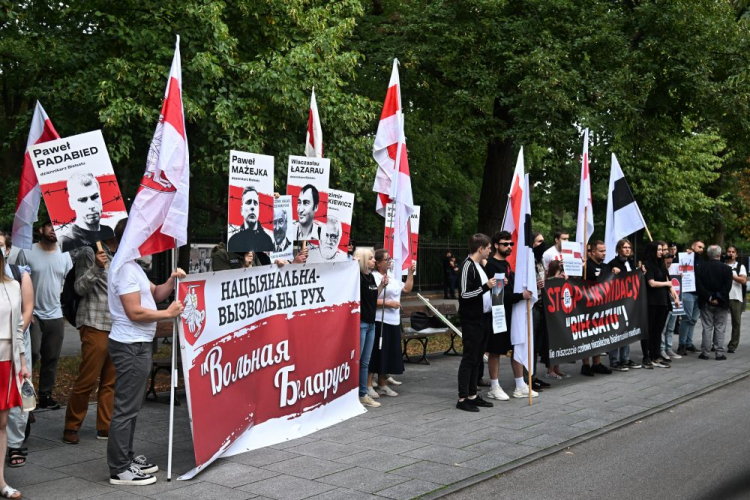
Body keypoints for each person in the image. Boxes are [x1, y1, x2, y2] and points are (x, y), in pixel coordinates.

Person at [107, 219, 185, 485]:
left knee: (131, 405)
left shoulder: (132, 267)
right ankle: (119, 468)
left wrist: (171, 281)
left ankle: (126, 458)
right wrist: (167, 314)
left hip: (137, 343)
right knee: (126, 408)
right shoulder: (124, 269)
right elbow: (135, 311)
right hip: (130, 345)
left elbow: (155, 292)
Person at [62, 231, 119, 446]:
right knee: (88, 378)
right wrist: (96, 266)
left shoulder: (123, 253)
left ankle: (105, 427)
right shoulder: (89, 251)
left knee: (110, 381)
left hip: (117, 325)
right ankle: (71, 425)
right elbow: (79, 287)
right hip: (95, 322)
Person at [15, 219, 73, 409]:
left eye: (57, 228)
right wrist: (24, 309)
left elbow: (67, 283)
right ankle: (24, 395)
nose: (53, 231)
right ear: (41, 229)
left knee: (52, 357)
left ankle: (45, 396)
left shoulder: (64, 254)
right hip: (33, 314)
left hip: (55, 314)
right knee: (31, 354)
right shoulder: (28, 252)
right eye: (50, 227)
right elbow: (17, 282)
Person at [483, 231, 537, 400]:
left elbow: (510, 288)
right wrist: (521, 296)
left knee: (517, 346)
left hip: (511, 313)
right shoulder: (492, 265)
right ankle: (494, 386)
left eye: (511, 244)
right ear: (496, 245)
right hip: (498, 314)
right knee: (495, 351)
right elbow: (498, 296)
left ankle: (520, 384)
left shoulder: (507, 265)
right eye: (505, 244)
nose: (509, 247)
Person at [0, 243, 31, 499]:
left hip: (7, 361)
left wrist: (22, 363)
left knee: (2, 423)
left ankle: (1, 481)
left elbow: (19, 324)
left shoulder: (13, 285)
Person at [456, 234, 496, 412]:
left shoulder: (480, 266)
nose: (490, 250)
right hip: (472, 320)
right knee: (469, 358)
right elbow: (464, 295)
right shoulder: (467, 266)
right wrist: (485, 287)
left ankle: (472, 394)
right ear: (480, 248)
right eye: (488, 248)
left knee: (477, 358)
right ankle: (462, 397)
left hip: (483, 318)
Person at [367, 250, 415, 399]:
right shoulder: (374, 277)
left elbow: (406, 288)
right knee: (376, 353)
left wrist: (410, 273)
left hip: (393, 321)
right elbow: (370, 300)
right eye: (387, 259)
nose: (390, 262)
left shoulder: (392, 277)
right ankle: (368, 385)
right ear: (379, 263)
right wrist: (388, 304)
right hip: (380, 320)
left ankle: (382, 383)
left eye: (390, 259)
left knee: (387, 353)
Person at [355, 248, 387, 408]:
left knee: (365, 361)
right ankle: (357, 393)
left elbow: (374, 296)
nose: (374, 261)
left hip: (371, 323)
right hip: (361, 323)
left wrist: (382, 285)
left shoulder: (371, 278)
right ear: (363, 260)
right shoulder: (357, 277)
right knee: (359, 360)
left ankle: (362, 394)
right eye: (371, 258)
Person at [606, 238, 641, 371]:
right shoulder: (612, 263)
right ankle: (614, 360)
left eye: (629, 248)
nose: (627, 250)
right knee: (616, 330)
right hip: (616, 302)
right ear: (619, 249)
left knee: (626, 329)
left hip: (629, 302)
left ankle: (625, 358)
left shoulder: (631, 263)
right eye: (625, 247)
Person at [58, 172, 115, 253]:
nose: (91, 205)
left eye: (95, 197)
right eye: (83, 200)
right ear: (72, 203)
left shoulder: (108, 230)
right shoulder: (66, 240)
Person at [643, 241, 678, 369]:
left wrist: (674, 294)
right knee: (650, 329)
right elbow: (651, 283)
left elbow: (667, 280)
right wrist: (667, 285)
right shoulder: (647, 264)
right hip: (651, 301)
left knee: (658, 330)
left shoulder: (662, 264)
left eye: (661, 250)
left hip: (662, 301)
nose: (661, 252)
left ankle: (656, 355)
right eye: (658, 250)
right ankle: (647, 356)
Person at [581, 241, 613, 376]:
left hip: (602, 306)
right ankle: (585, 365)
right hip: (587, 306)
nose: (604, 253)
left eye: (605, 251)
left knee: (599, 334)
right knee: (587, 335)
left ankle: (597, 363)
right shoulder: (586, 266)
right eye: (601, 251)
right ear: (593, 252)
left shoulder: (606, 267)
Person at [696, 245, 732, 361]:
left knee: (707, 327)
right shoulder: (726, 269)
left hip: (706, 301)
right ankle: (719, 353)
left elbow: (699, 285)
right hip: (722, 303)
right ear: (719, 254)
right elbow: (727, 287)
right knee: (720, 327)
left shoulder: (701, 267)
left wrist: (709, 297)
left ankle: (705, 352)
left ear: (708, 254)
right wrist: (718, 297)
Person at [677, 240, 704, 354]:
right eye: (699, 247)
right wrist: (688, 253)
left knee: (693, 320)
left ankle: (689, 343)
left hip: (699, 294)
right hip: (688, 292)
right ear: (692, 246)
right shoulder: (685, 257)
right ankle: (681, 345)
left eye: (702, 247)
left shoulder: (701, 260)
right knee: (686, 318)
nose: (701, 249)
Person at [544, 261, 570, 379]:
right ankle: (550, 370)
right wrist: (556, 278)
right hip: (551, 316)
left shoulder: (563, 277)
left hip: (560, 314)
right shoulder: (548, 279)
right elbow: (546, 284)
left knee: (559, 342)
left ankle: (557, 368)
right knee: (552, 343)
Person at [227, 186, 273, 253]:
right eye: (248, 202)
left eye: (255, 203)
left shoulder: (267, 240)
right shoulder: (233, 241)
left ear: (258, 210)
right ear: (241, 210)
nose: (252, 207)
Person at [659, 252, 681, 362]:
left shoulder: (674, 268)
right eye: (667, 263)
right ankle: (662, 348)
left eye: (670, 262)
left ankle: (669, 348)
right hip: (665, 302)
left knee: (671, 327)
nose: (669, 264)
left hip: (673, 301)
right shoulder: (661, 270)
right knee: (663, 327)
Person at [725, 245, 746, 353]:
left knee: (736, 322)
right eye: (729, 251)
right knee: (719, 322)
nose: (731, 253)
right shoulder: (722, 265)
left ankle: (733, 344)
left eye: (733, 252)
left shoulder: (740, 266)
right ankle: (716, 343)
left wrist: (731, 275)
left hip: (736, 297)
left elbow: (743, 280)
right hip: (723, 296)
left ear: (736, 254)